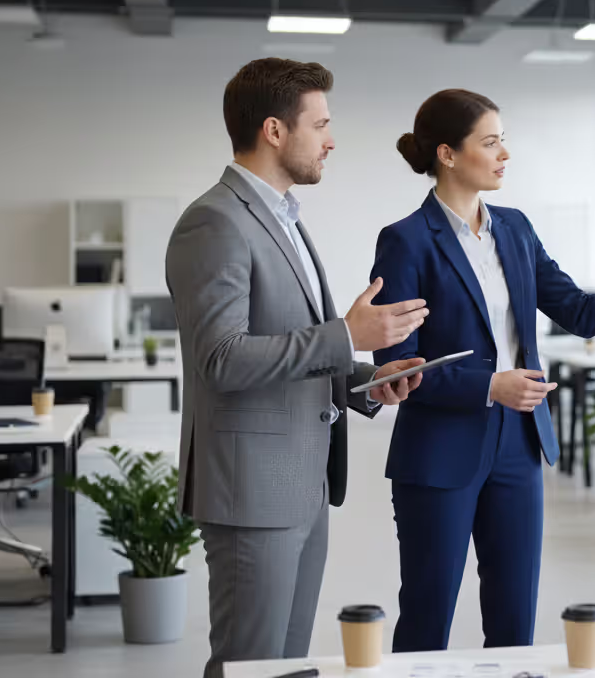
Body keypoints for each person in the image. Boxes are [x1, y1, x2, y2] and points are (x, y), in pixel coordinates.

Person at [371, 89, 595, 652]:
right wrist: (490, 386)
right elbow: (392, 366)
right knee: (429, 617)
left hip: (519, 447)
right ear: (449, 154)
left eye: (504, 140)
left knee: (514, 618)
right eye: (491, 141)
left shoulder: (516, 229)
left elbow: (580, 312)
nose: (505, 153)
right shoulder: (406, 241)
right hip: (439, 452)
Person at [166, 58, 430, 678]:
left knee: (284, 668)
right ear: (275, 131)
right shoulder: (215, 222)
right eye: (321, 124)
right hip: (251, 492)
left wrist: (367, 381)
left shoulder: (285, 219)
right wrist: (346, 335)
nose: (331, 139)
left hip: (302, 485)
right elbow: (221, 358)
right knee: (249, 666)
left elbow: (293, 348)